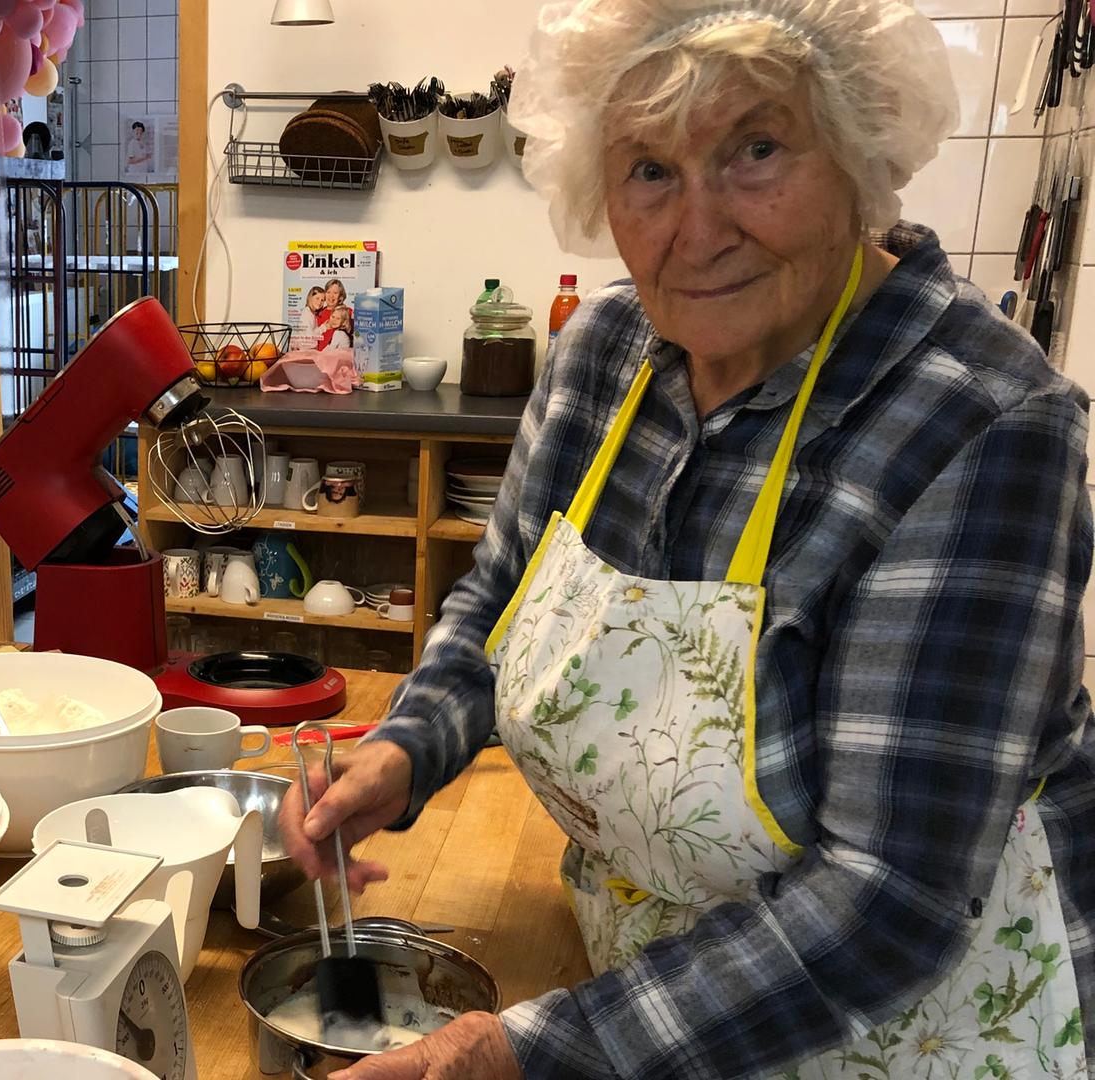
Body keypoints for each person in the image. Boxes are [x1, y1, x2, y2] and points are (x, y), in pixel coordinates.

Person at [284, 1, 1095, 1077]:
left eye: (756, 149)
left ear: (859, 149)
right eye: (650, 171)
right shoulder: (607, 354)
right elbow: (499, 606)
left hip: (914, 1026)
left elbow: (890, 896)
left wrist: (520, 1053)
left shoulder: (982, 426)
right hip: (652, 1005)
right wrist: (405, 748)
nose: (699, 231)